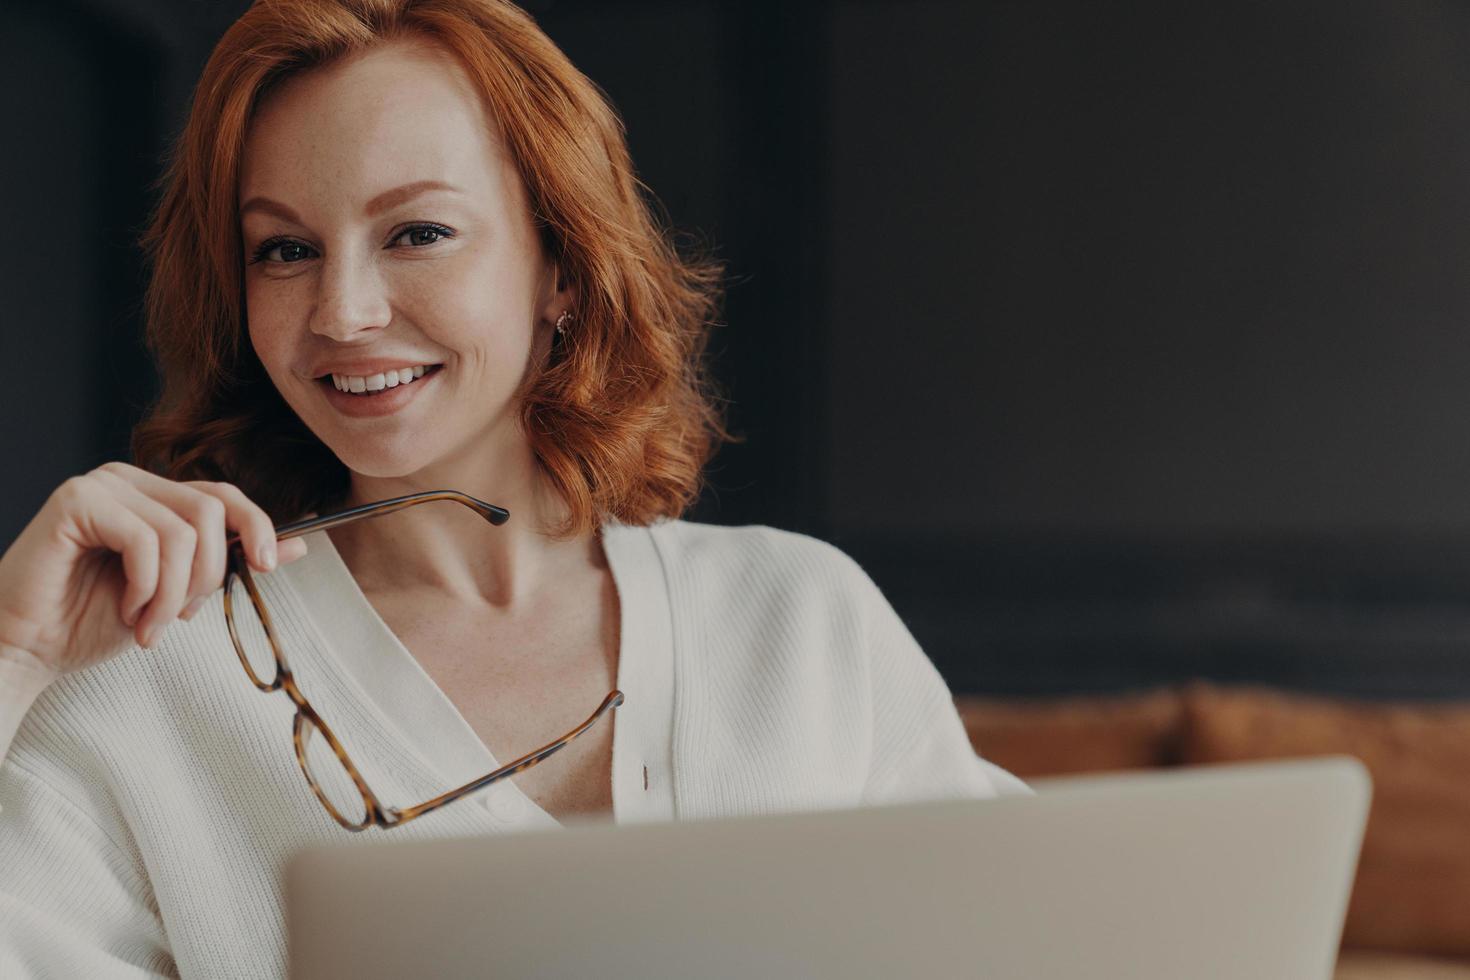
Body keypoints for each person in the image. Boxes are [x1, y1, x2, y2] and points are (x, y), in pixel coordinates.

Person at [0, 0, 1026, 975]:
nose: (343, 310)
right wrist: (10, 656)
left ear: (561, 265)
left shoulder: (803, 620)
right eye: (286, 249)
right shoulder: (139, 680)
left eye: (416, 232)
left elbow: (1045, 935)